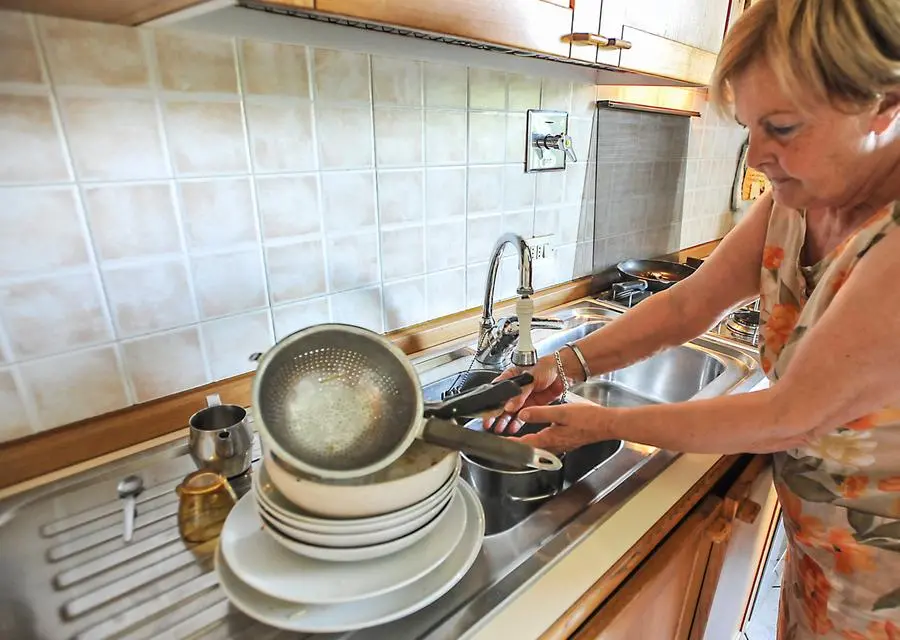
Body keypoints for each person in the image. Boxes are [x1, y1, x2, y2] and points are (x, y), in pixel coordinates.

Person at [488, 0, 900, 637]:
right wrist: (567, 360)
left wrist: (599, 423)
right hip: (826, 547)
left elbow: (787, 415)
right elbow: (687, 304)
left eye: (783, 128)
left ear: (885, 103)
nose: (756, 152)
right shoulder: (801, 199)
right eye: (750, 125)